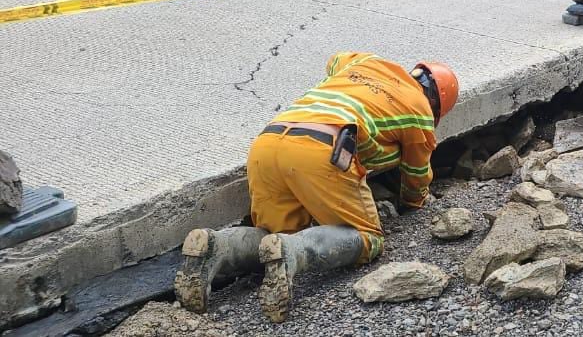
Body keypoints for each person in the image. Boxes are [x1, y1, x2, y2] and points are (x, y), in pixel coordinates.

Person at [174, 53, 458, 322]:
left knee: (273, 236)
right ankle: (293, 251)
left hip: (267, 143)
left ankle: (217, 246)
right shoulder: (420, 111)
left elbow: (334, 61)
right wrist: (412, 204)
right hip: (322, 149)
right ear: (437, 106)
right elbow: (416, 175)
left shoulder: (366, 61)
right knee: (367, 237)